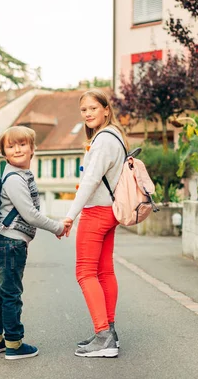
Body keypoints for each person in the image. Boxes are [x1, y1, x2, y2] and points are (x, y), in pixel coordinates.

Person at [0, 126, 70, 360]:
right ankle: (13, 343)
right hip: (10, 243)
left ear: (33, 149)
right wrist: (58, 227)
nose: (17, 149)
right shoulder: (14, 179)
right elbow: (30, 214)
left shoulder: (16, 176)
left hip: (1, 240)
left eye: (22, 144)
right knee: (10, 294)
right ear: (4, 154)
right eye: (11, 146)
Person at [63, 89, 128, 358]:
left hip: (96, 213)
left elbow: (90, 182)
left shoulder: (103, 140)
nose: (88, 114)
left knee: (85, 273)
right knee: (104, 272)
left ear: (106, 110)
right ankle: (109, 332)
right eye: (84, 110)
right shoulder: (117, 137)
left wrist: (70, 214)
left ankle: (103, 337)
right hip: (111, 211)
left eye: (93, 108)